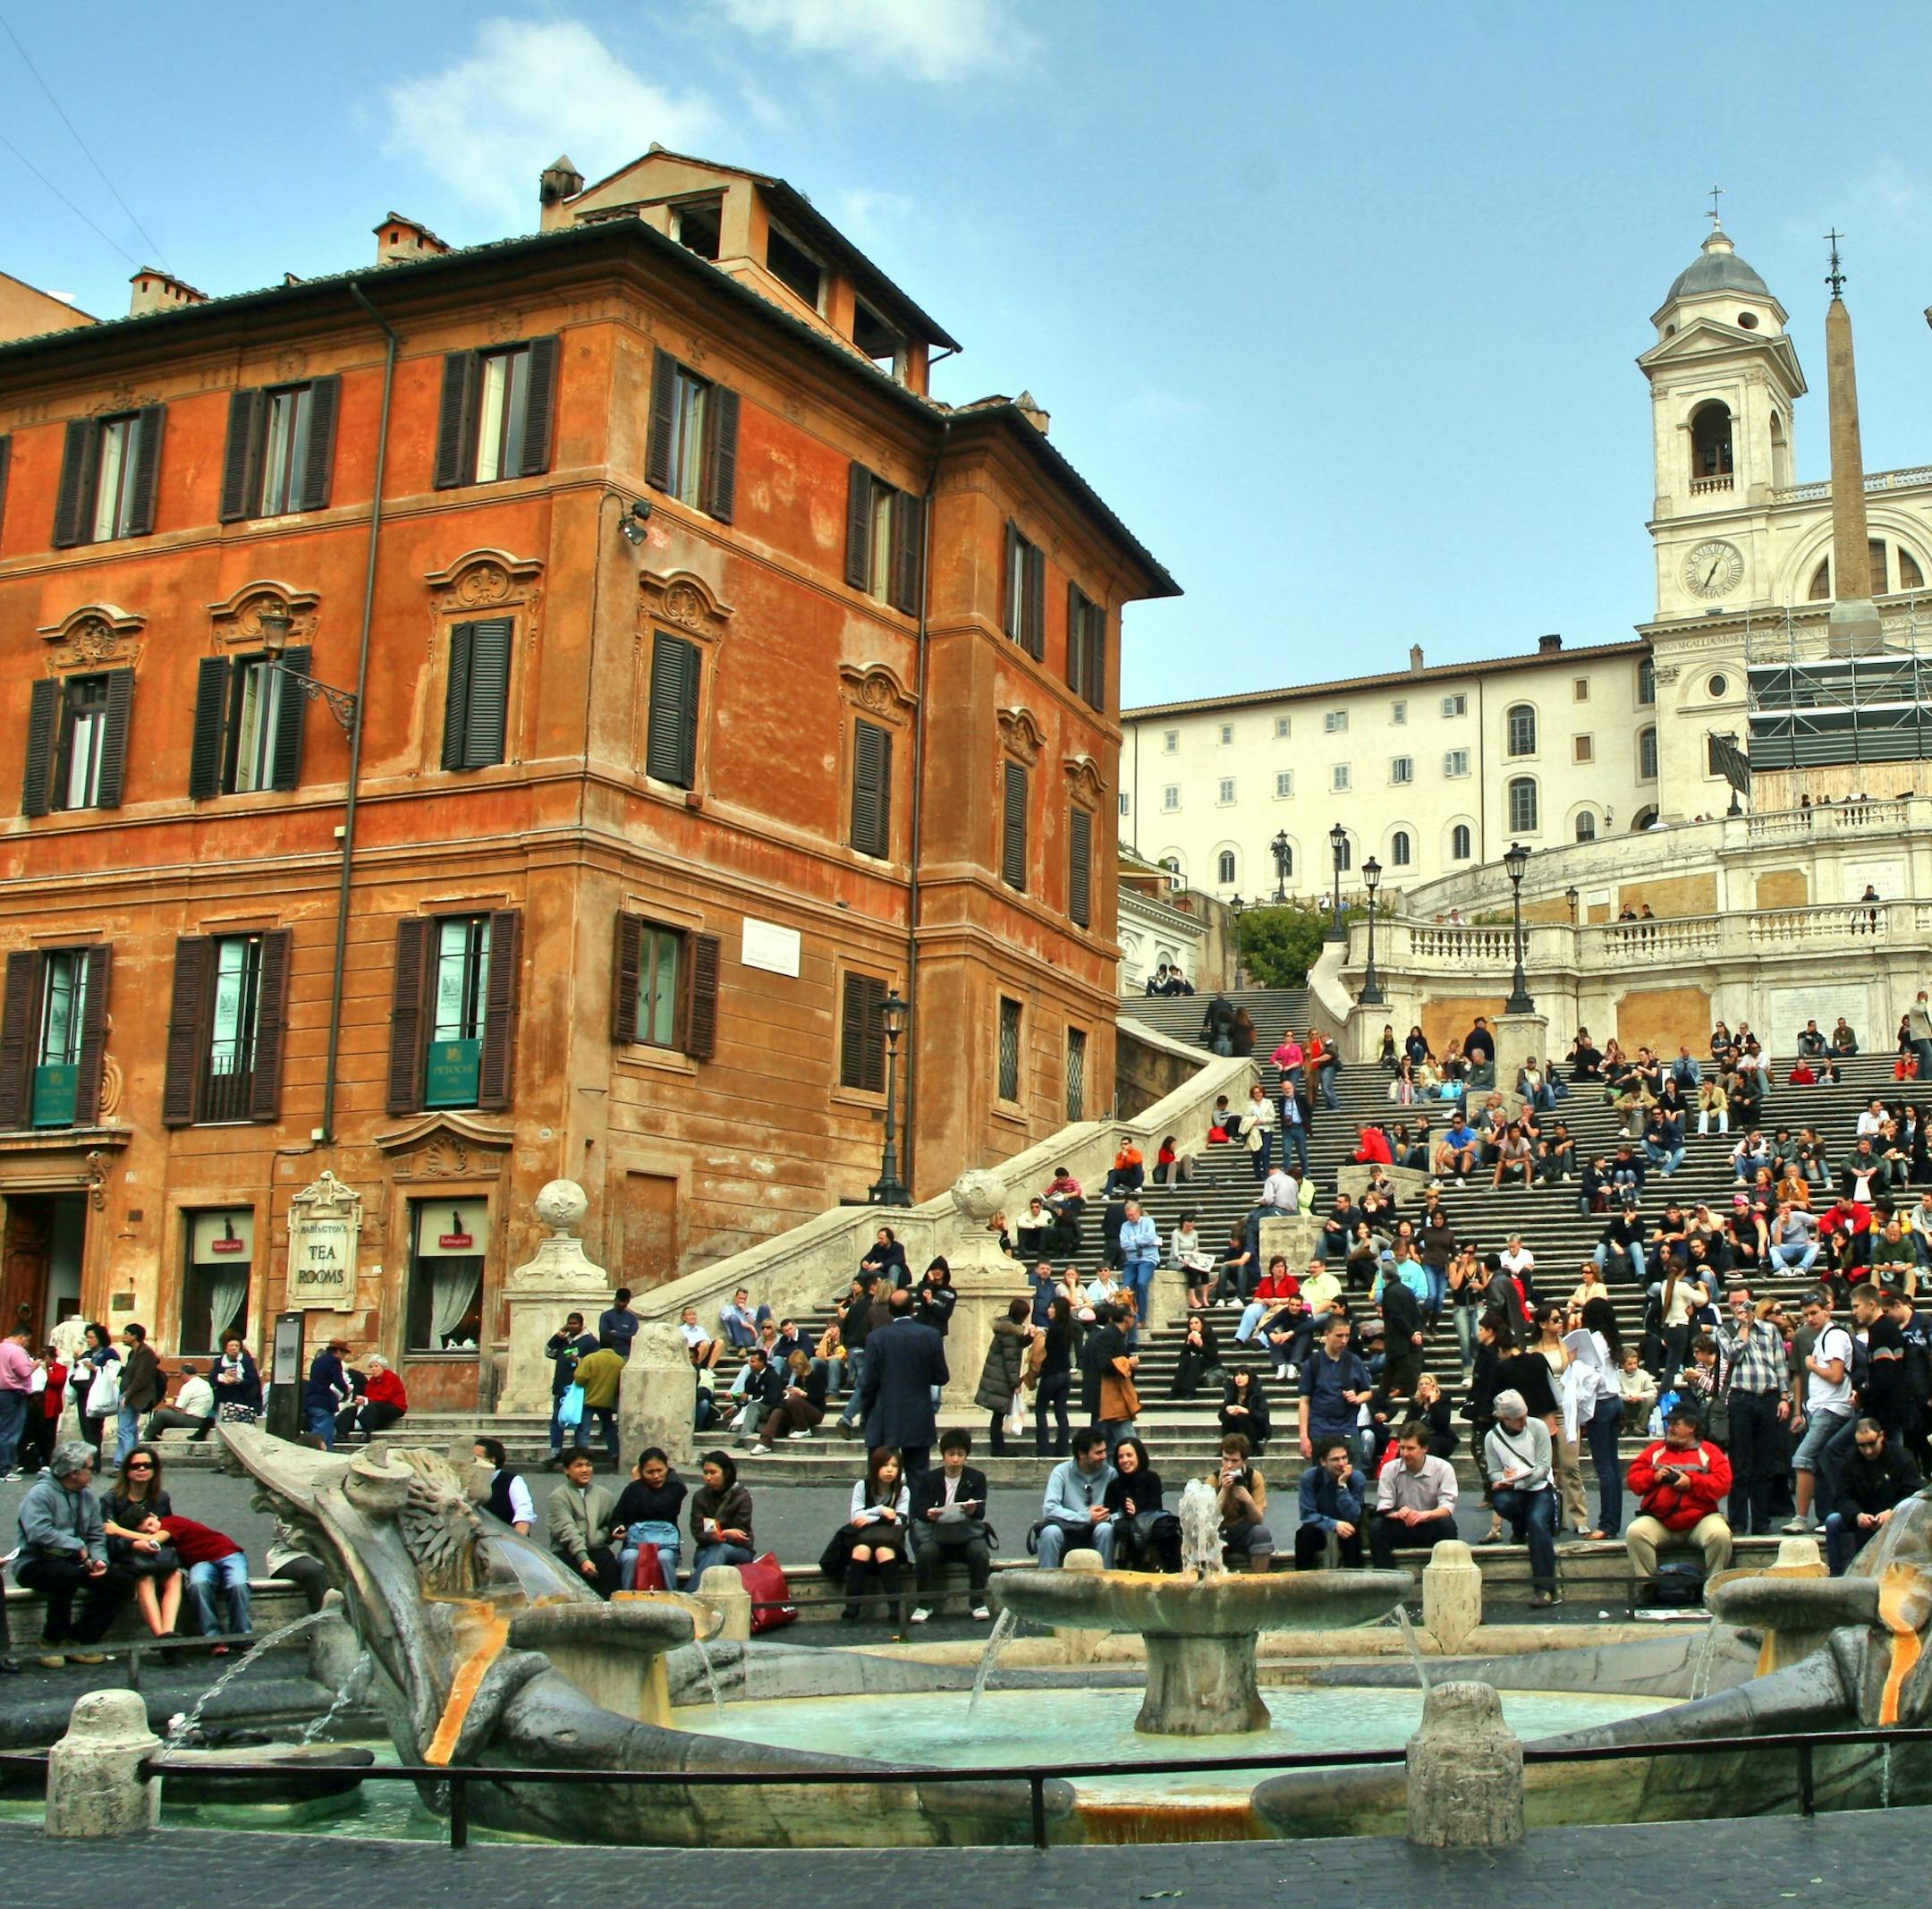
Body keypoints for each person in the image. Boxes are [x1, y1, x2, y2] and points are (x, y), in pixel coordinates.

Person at [14, 1441, 132, 1665]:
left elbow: (97, 1535)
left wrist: (100, 1560)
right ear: (73, 1472)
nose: (93, 1471)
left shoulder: (87, 1497)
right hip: (36, 1561)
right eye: (89, 1467)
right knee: (65, 1575)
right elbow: (38, 1532)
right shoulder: (40, 1494)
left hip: (77, 1561)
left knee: (121, 1581)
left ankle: (80, 1638)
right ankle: (51, 1640)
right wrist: (76, 1545)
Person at [1626, 1404, 1734, 1588]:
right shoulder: (1655, 1450)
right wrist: (1654, 1478)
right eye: (1670, 1424)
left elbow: (1723, 1484)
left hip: (1700, 1521)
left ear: (1692, 1427)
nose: (1670, 1428)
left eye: (1676, 1424)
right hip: (1662, 1522)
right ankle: (1647, 1587)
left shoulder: (1709, 1451)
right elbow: (1633, 1480)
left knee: (1720, 1534)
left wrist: (1691, 1483)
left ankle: (1715, 1587)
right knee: (1635, 1532)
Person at [854, 1287, 948, 1475]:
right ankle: (917, 1506)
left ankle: (883, 1505)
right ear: (913, 1308)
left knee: (880, 1475)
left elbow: (868, 1382)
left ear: (889, 1310)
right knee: (918, 1476)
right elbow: (941, 1376)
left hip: (884, 1413)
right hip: (918, 1413)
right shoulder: (930, 1335)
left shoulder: (876, 1338)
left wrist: (866, 1413)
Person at [820, 1446, 911, 1627]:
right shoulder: (862, 1486)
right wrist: (881, 1511)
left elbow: (900, 1520)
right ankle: (852, 1607)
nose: (889, 1470)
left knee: (884, 1551)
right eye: (885, 1465)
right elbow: (855, 1517)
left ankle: (895, 1608)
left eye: (894, 1466)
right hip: (863, 1540)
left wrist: (870, 1517)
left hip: (889, 1541)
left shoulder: (903, 1491)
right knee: (861, 1550)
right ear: (875, 1467)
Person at [1788, 1293, 1855, 1533]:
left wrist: (1812, 1366)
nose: (1810, 1318)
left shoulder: (1834, 1336)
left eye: (1814, 1312)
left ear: (1827, 1309)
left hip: (1832, 1408)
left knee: (1803, 1458)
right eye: (1805, 1315)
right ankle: (1827, 1516)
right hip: (1820, 1408)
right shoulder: (1821, 1338)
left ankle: (1800, 1519)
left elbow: (1836, 1376)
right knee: (1822, 1461)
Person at [101, 1444, 183, 1641]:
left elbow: (169, 1529)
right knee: (145, 1579)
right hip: (128, 1558)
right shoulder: (110, 1500)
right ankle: (161, 1636)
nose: (142, 1469)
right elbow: (105, 1537)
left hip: (156, 1553)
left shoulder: (161, 1498)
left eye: (147, 1465)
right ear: (126, 1471)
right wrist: (134, 1544)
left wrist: (149, 1540)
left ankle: (168, 1631)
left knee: (176, 1576)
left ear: (154, 1470)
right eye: (135, 1466)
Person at [908, 1430, 993, 1621]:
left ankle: (977, 1602)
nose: (955, 1460)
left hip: (966, 1535)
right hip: (936, 1534)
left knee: (979, 1551)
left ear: (966, 1456)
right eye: (951, 1454)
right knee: (926, 1552)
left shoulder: (977, 1478)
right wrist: (929, 1514)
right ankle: (924, 1604)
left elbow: (980, 1511)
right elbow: (918, 1508)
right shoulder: (928, 1479)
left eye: (960, 1455)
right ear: (943, 1454)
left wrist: (971, 1510)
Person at [1486, 1389, 1559, 1606]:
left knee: (1537, 1522)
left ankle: (1545, 1588)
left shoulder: (1537, 1427)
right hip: (1514, 1491)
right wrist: (1502, 1478)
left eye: (1525, 1415)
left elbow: (1544, 1466)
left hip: (1540, 1487)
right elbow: (1492, 1471)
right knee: (1501, 1503)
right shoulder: (1492, 1437)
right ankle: (1519, 1527)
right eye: (1518, 1419)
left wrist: (1518, 1481)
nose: (1523, 1421)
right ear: (1504, 1418)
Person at [1823, 1418, 1920, 1575]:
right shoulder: (1850, 1460)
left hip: (1897, 1517)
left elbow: (1915, 1494)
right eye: (1862, 1446)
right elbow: (1841, 1496)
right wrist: (1857, 1515)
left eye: (1871, 1444)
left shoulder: (1902, 1457)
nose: (1868, 1451)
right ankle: (1837, 1576)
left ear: (1882, 1436)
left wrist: (1893, 1512)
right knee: (1833, 1521)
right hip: (1864, 1516)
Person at [1368, 1427, 1460, 1568]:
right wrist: (1398, 1513)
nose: (1405, 1453)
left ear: (1424, 1448)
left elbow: (1447, 1507)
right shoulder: (1389, 1469)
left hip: (1430, 1522)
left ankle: (1448, 1573)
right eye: (1402, 1448)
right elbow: (1384, 1505)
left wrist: (1424, 1515)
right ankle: (1385, 1575)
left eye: (1411, 1448)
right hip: (1401, 1524)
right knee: (1376, 1526)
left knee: (1447, 1525)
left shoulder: (1443, 1468)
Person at [163, 1514, 252, 1648]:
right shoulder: (163, 1542)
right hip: (200, 1562)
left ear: (153, 1516)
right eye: (147, 1530)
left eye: (150, 1524)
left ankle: (242, 1636)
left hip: (228, 1554)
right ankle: (213, 1639)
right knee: (198, 1584)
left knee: (237, 1584)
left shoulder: (169, 1522)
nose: (152, 1530)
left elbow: (154, 1539)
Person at [1037, 1429, 1117, 1568]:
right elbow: (1050, 1509)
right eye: (1098, 1453)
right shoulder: (1060, 1472)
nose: (1104, 1456)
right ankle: (1045, 1582)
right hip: (1067, 1530)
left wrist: (1106, 1516)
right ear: (1082, 1454)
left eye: (1104, 1451)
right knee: (1050, 1532)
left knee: (1106, 1529)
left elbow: (1118, 1511)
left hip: (1096, 1531)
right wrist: (1086, 1517)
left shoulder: (1112, 1474)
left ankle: (1105, 1581)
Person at [1299, 1313, 1373, 1464]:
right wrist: (1304, 1436)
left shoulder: (1354, 1361)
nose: (1344, 1340)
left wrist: (1357, 1398)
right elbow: (1304, 1401)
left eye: (1347, 1335)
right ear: (1327, 1335)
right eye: (1339, 1336)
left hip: (1348, 1428)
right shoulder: (1312, 1364)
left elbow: (1367, 1392)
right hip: (1320, 1429)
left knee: (1354, 1475)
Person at [609, 1447, 686, 1589]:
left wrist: (638, 1483)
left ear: (667, 1468)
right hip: (635, 1544)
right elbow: (618, 1516)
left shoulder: (676, 1487)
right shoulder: (632, 1489)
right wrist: (618, 1528)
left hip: (665, 1545)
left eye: (660, 1470)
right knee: (630, 1557)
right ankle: (626, 1598)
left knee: (664, 1558)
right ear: (642, 1472)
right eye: (650, 1472)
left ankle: (672, 1596)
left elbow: (654, 1507)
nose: (656, 1476)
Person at [547, 1448, 620, 1597]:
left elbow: (612, 1524)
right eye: (578, 1466)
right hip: (567, 1550)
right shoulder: (558, 1497)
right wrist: (583, 1559)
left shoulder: (604, 1495)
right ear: (566, 1470)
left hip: (596, 1547)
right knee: (571, 1574)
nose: (585, 1470)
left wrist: (602, 1535)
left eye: (588, 1465)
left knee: (609, 1566)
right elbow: (567, 1531)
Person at [1295, 1436, 1367, 1568]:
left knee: (1352, 1534)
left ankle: (1356, 1583)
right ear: (1323, 1461)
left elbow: (1354, 1516)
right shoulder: (1309, 1478)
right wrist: (1334, 1524)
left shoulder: (1357, 1478)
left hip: (1347, 1528)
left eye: (1344, 1458)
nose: (1341, 1463)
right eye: (1335, 1459)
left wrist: (1342, 1486)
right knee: (1304, 1534)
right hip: (1320, 1529)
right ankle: (1303, 1581)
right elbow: (1307, 1515)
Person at [686, 1450, 755, 1588]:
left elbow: (740, 1535)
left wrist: (720, 1536)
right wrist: (723, 1534)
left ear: (726, 1473)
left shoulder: (741, 1497)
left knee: (720, 1550)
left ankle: (691, 1594)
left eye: (713, 1472)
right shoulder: (701, 1497)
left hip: (739, 1551)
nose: (708, 1478)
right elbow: (699, 1533)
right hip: (707, 1549)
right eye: (705, 1473)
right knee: (707, 1555)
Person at [974, 1299, 1033, 1455]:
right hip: (1001, 1378)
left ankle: (998, 1447)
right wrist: (1015, 1383)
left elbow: (1014, 1347)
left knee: (998, 1414)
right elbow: (1010, 1360)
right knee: (999, 1414)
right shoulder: (1011, 1332)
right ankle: (998, 1448)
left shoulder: (1006, 1329)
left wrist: (1029, 1338)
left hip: (996, 1376)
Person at [1216, 1432, 1275, 1573]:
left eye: (1234, 1461)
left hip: (1244, 1529)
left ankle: (1258, 1583)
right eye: (1225, 1459)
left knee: (1261, 1534)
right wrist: (1223, 1491)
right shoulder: (1213, 1479)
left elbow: (1258, 1520)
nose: (1229, 1465)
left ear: (1244, 1461)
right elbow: (1209, 1518)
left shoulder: (1254, 1478)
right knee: (1204, 1539)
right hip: (1220, 1531)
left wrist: (1248, 1500)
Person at [544, 1314, 599, 1462]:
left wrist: (578, 1361)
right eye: (569, 1324)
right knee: (557, 1420)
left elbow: (595, 1364)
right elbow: (548, 1352)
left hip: (578, 1389)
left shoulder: (590, 1341)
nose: (572, 1326)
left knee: (579, 1422)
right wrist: (559, 1334)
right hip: (561, 1387)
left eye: (575, 1324)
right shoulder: (564, 1340)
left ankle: (580, 1454)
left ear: (581, 1325)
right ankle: (556, 1451)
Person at [571, 1336, 625, 1468]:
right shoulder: (620, 1361)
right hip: (607, 1401)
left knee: (584, 1429)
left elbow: (580, 1378)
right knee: (609, 1429)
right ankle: (615, 1454)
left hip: (588, 1399)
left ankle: (582, 1457)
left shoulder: (590, 1359)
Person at [115, 1323, 162, 1464]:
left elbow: (142, 1378)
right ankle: (129, 1460)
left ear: (134, 1336)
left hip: (134, 1396)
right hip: (129, 1394)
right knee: (128, 1429)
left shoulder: (145, 1353)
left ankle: (125, 1463)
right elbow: (131, 1373)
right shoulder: (134, 1353)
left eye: (126, 1333)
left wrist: (127, 1396)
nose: (123, 1336)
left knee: (125, 1429)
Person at [337, 1353, 408, 1440]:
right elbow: (368, 1395)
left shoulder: (391, 1378)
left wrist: (366, 1400)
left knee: (373, 1407)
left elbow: (385, 1397)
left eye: (376, 1366)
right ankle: (342, 1432)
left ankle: (367, 1431)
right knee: (351, 1409)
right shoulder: (372, 1380)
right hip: (376, 1405)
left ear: (383, 1367)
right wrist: (362, 1401)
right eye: (371, 1367)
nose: (373, 1369)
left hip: (394, 1406)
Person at [475, 1435, 537, 1535]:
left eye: (477, 1457)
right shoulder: (465, 1481)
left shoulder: (513, 1482)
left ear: (492, 1460)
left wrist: (517, 1541)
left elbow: (524, 1512)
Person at [1118, 1199, 1159, 1344]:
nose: (1130, 1218)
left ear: (1138, 1212)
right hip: (1131, 1261)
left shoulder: (1148, 1222)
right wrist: (1140, 1241)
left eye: (1132, 1215)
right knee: (1126, 1289)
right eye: (1128, 1215)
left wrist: (1134, 1240)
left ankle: (1141, 1318)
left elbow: (1151, 1237)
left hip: (1148, 1259)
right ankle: (1126, 1317)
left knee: (1141, 1283)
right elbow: (1124, 1244)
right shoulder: (1125, 1226)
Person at [143, 1361, 216, 1443]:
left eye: (180, 1375)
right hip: (203, 1420)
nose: (179, 1377)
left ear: (183, 1374)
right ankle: (154, 1435)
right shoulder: (204, 1384)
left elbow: (178, 1409)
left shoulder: (188, 1386)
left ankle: (147, 1436)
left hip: (194, 1420)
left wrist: (170, 1405)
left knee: (161, 1414)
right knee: (167, 1415)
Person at [302, 1339, 351, 1448]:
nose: (344, 1356)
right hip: (322, 1401)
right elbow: (338, 1380)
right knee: (322, 1435)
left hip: (312, 1400)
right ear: (338, 1351)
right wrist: (346, 1390)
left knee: (324, 1432)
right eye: (344, 1353)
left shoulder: (318, 1361)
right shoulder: (334, 1361)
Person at [0, 1326, 32, 1480]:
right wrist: (34, 1365)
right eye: (28, 1340)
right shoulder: (16, 1351)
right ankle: (4, 1469)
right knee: (10, 1432)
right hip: (13, 1394)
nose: (27, 1343)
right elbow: (24, 1372)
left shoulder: (1, 1348)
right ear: (22, 1337)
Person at [209, 1335, 262, 1424]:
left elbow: (252, 1380)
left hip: (242, 1396)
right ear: (226, 1349)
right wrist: (224, 1376)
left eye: (237, 1346)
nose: (234, 1348)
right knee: (212, 1417)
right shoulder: (219, 1361)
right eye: (231, 1346)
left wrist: (237, 1381)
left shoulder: (247, 1361)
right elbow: (212, 1379)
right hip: (222, 1396)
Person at [1219, 1366, 1271, 1454]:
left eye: (1243, 1375)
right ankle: (1225, 1449)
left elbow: (1264, 1417)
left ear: (1249, 1377)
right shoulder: (1232, 1393)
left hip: (1256, 1428)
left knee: (1241, 1417)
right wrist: (1227, 1410)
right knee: (1229, 1417)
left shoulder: (1257, 1393)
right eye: (1237, 1375)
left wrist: (1246, 1411)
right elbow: (1221, 1417)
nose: (1239, 1378)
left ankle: (1254, 1448)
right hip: (1236, 1428)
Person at [1170, 1314, 1223, 1399]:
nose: (1193, 1325)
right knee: (1185, 1359)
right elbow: (1182, 1355)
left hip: (1209, 1363)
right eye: (1191, 1323)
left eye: (1196, 1323)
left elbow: (1213, 1355)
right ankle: (1175, 1390)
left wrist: (1201, 1345)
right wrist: (1187, 1343)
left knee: (1195, 1359)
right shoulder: (1189, 1335)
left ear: (1202, 1324)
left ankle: (1189, 1391)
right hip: (1194, 1361)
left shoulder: (1210, 1335)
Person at [860, 1226, 910, 1290]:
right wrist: (865, 1261)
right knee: (864, 1270)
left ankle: (890, 1292)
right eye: (878, 1238)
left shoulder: (898, 1247)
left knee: (893, 1268)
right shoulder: (877, 1247)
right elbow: (870, 1256)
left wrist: (880, 1264)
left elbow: (897, 1259)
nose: (879, 1240)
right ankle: (860, 1293)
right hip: (883, 1274)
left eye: (882, 1238)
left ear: (889, 1239)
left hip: (899, 1276)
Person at [597, 1288, 640, 1360]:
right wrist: (624, 1335)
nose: (622, 1304)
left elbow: (633, 1337)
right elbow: (604, 1335)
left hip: (626, 1355)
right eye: (620, 1301)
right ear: (615, 1300)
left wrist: (615, 1333)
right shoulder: (605, 1316)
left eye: (624, 1302)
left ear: (628, 1301)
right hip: (610, 1355)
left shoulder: (632, 1318)